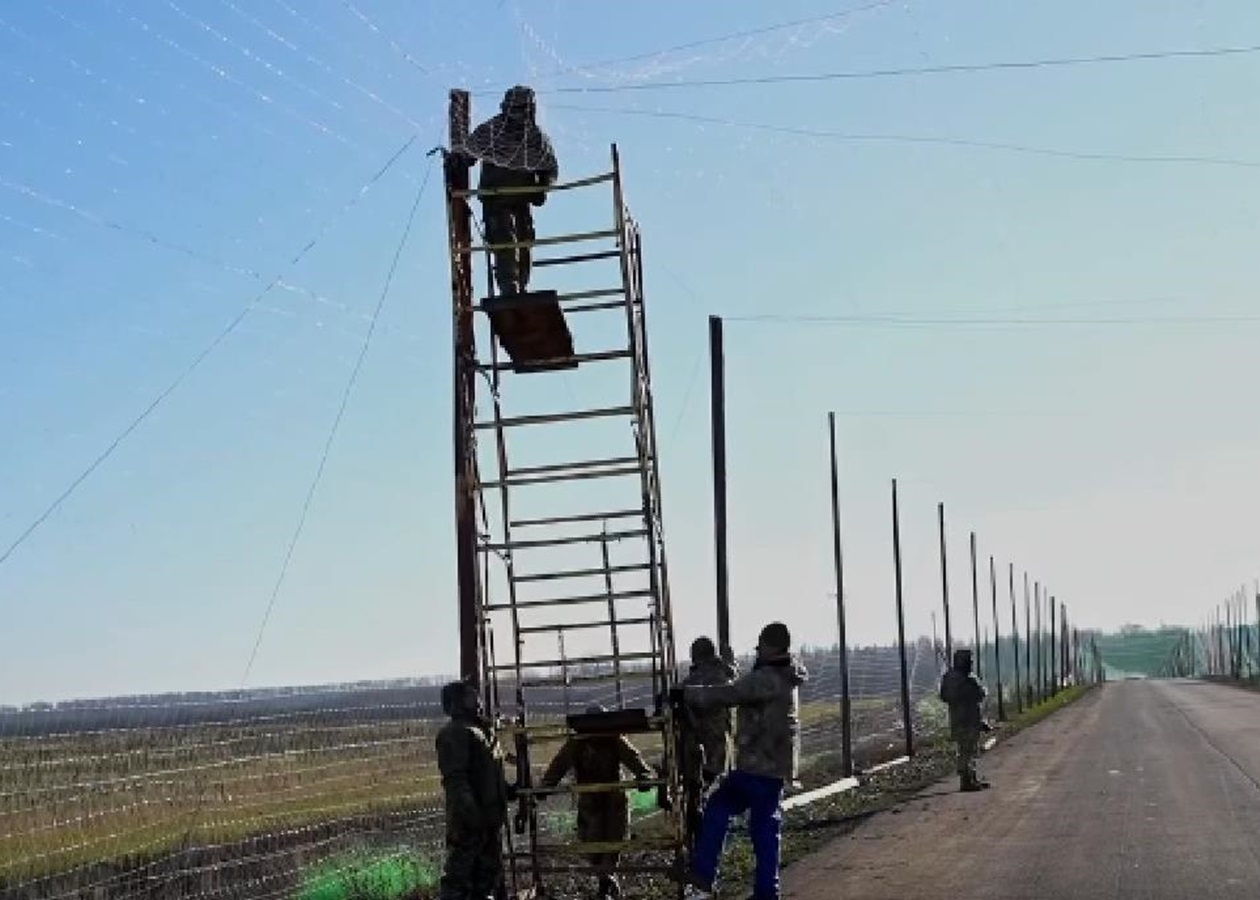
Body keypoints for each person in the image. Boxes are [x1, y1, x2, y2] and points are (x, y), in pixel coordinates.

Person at [673, 622, 807, 900]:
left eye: (761, 646)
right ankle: (765, 892)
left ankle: (703, 879)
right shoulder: (787, 675)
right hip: (771, 768)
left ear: (771, 647)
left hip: (758, 766)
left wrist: (687, 694)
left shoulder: (769, 677)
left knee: (723, 810)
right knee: (763, 830)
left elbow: (730, 693)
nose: (758, 651)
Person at [539, 705, 655, 899]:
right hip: (590, 799)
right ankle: (605, 878)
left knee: (614, 838)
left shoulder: (614, 739)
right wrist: (547, 785)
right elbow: (560, 763)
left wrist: (644, 775)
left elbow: (633, 758)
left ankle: (607, 879)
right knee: (592, 841)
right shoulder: (577, 742)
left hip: (614, 798)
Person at [458, 84, 559, 296]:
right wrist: (457, 160)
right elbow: (467, 155)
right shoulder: (491, 131)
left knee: (524, 245)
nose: (520, 115)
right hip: (496, 199)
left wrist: (542, 188)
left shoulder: (536, 138)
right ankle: (509, 288)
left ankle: (520, 287)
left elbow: (549, 168)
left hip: (522, 201)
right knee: (504, 240)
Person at [436, 680, 511, 900]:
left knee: (485, 879)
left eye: (476, 697)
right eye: (470, 698)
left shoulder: (481, 731)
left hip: (488, 820)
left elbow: (486, 775)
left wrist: (507, 791)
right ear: (456, 703)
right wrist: (472, 815)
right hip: (470, 824)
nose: (477, 702)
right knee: (459, 880)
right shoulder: (455, 733)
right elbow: (456, 780)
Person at [938, 648, 992, 792]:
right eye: (969, 661)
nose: (971, 663)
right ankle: (966, 781)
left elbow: (944, 696)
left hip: (961, 719)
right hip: (967, 719)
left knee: (969, 750)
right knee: (966, 751)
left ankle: (972, 778)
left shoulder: (953, 678)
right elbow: (979, 695)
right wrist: (965, 689)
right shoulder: (965, 679)